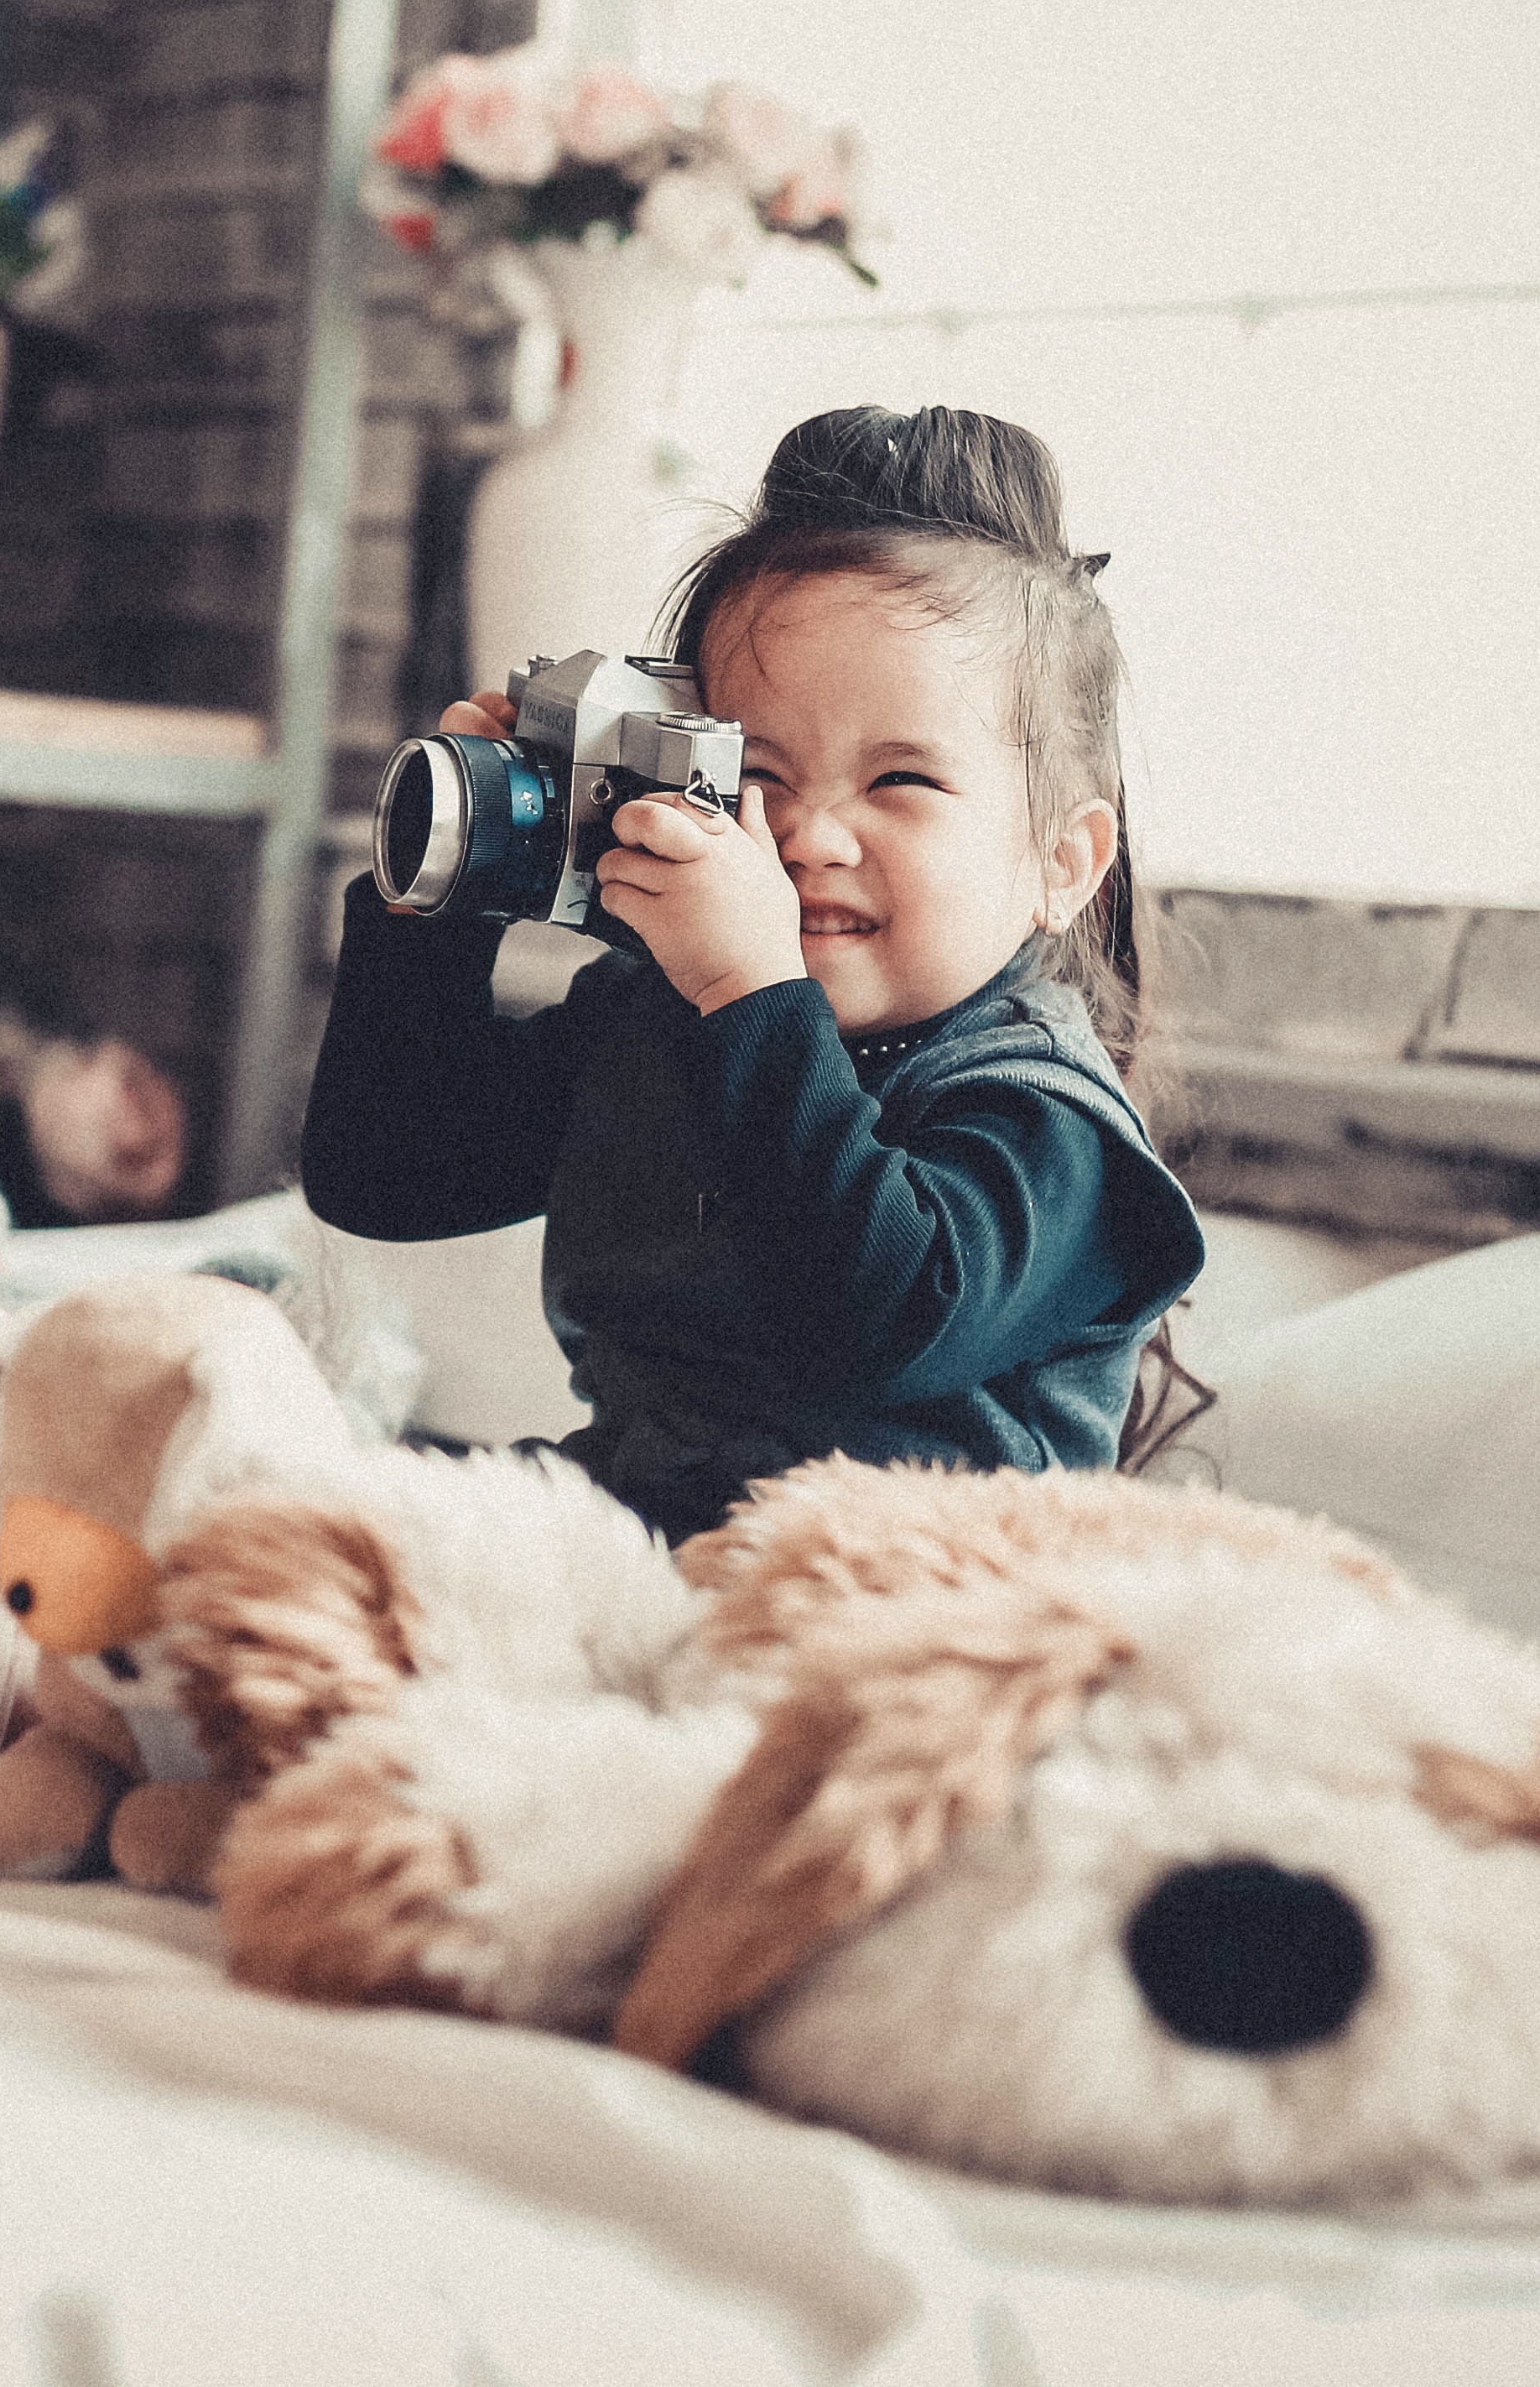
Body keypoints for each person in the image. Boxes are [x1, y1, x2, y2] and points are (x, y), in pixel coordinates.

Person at [299, 404, 1207, 1540]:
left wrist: (751, 998)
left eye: (901, 782)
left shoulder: (1044, 1120)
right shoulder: (667, 1017)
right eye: (756, 774)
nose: (809, 836)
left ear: (1062, 863)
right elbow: (384, 1174)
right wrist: (439, 901)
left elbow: (869, 1323)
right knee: (306, 1545)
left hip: (912, 1591)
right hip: (646, 1528)